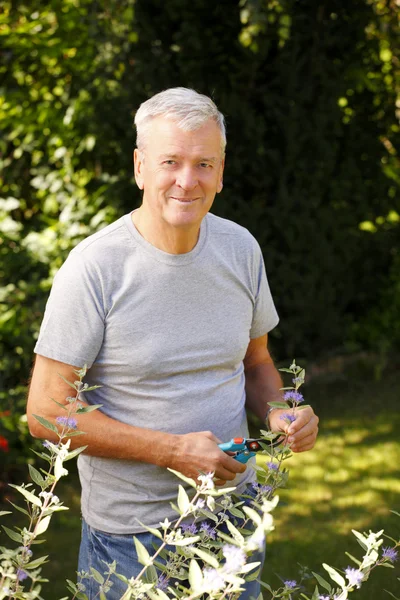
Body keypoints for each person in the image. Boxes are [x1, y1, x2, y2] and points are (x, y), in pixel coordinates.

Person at [27, 87, 319, 598]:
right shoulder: (95, 268)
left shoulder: (241, 250)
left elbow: (256, 363)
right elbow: (46, 413)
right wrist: (172, 451)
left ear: (222, 172)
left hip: (233, 520)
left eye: (204, 163)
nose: (188, 180)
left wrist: (281, 412)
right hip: (132, 541)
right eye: (171, 162)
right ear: (141, 167)